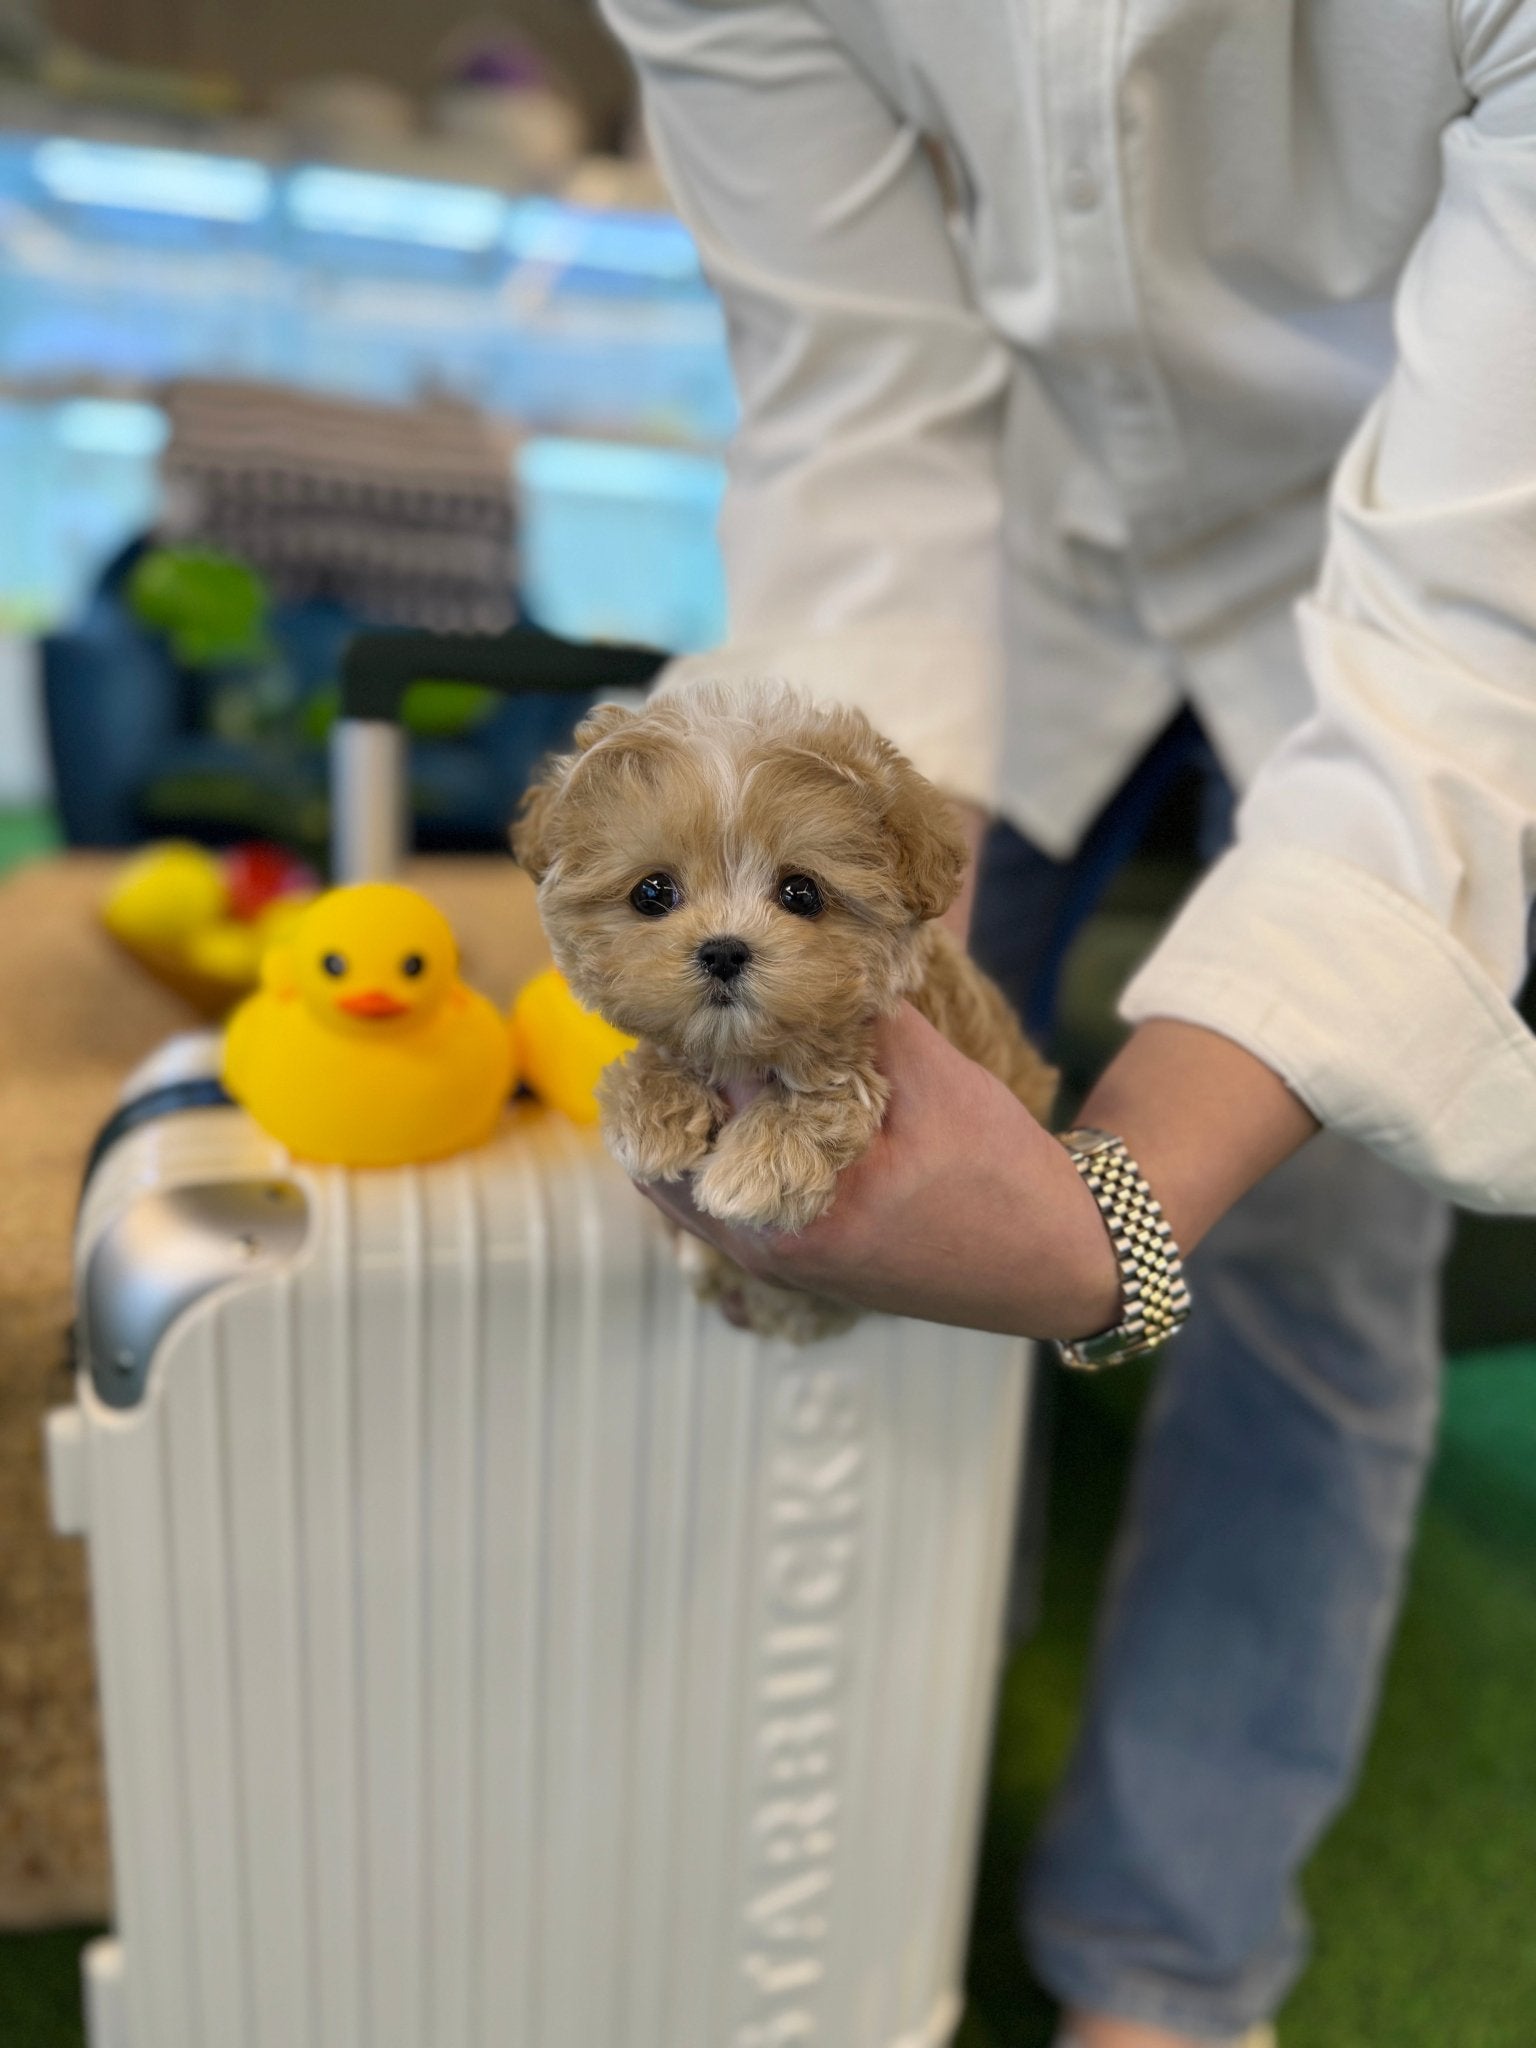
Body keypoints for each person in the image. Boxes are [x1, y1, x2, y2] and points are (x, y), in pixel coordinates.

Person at [595, 2, 1536, 2043]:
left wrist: (1110, 1215)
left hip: (1416, 557)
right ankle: (843, 1873)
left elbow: (1473, 638)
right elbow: (855, 410)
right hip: (1007, 553)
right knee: (866, 1238)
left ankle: (1165, 1970)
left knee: (1324, 1272)